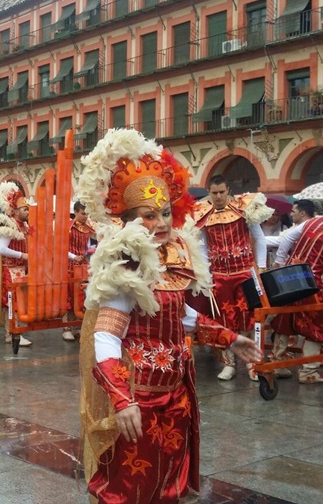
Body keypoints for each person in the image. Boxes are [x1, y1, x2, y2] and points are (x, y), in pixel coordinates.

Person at [77, 129, 262, 504]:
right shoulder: (125, 263)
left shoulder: (173, 255)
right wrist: (121, 399)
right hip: (140, 391)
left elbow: (181, 317)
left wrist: (231, 338)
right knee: (131, 484)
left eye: (164, 213)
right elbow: (107, 336)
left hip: (177, 386)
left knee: (168, 481)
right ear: (127, 220)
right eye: (148, 216)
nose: (160, 223)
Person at [194, 175, 272, 381]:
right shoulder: (202, 214)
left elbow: (259, 238)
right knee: (224, 320)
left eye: (222, 192)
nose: (219, 196)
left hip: (245, 272)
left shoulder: (244, 208)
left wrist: (262, 268)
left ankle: (252, 363)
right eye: (214, 193)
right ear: (208, 192)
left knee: (250, 319)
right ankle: (228, 364)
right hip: (219, 275)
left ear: (228, 190)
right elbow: (202, 246)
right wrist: (205, 274)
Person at [271, 209, 323, 383]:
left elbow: (285, 238)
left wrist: (280, 263)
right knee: (316, 325)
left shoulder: (312, 222)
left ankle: (277, 363)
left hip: (291, 275)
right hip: (312, 283)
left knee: (285, 318)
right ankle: (309, 370)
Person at [0, 182, 32, 347]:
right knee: (12, 302)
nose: (28, 212)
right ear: (16, 211)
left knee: (17, 302)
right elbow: (2, 249)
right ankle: (13, 332)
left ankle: (11, 333)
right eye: (25, 209)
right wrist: (22, 255)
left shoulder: (25, 226)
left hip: (20, 269)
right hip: (10, 270)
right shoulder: (9, 224)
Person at [63, 200, 95, 341]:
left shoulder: (88, 228)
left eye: (87, 213)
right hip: (69, 266)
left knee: (81, 296)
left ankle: (78, 326)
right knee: (69, 296)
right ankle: (67, 327)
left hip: (83, 266)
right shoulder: (68, 228)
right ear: (75, 212)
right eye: (83, 213)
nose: (85, 216)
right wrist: (73, 256)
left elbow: (89, 246)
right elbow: (60, 247)